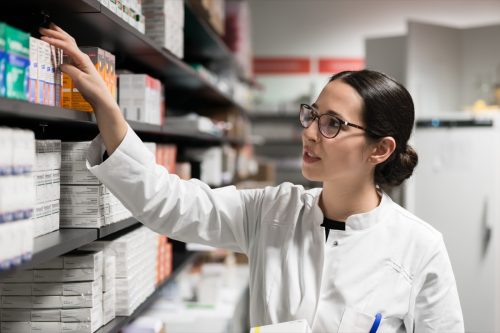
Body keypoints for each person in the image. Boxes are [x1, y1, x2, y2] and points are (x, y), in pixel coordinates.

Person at [40, 23, 464, 333]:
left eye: (333, 124)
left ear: (380, 149)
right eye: (312, 115)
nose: (310, 132)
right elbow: (166, 202)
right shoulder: (272, 211)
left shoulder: (420, 247)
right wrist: (107, 106)